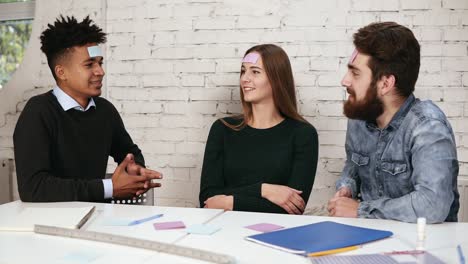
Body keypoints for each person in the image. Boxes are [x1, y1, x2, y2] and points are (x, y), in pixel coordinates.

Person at [13, 15, 162, 202]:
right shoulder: (38, 112)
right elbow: (33, 188)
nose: (100, 71)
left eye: (100, 62)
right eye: (89, 64)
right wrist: (109, 188)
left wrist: (134, 169)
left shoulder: (105, 111)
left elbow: (129, 152)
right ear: (62, 72)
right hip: (49, 223)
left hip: (97, 218)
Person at [327, 22, 459, 223]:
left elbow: (433, 204)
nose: (345, 81)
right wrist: (346, 187)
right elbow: (353, 166)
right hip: (369, 236)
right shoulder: (359, 118)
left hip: (425, 245)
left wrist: (361, 209)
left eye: (355, 73)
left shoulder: (427, 127)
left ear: (385, 83)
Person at [199, 44, 318, 214]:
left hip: (275, 234)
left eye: (255, 72)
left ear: (277, 78)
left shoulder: (303, 134)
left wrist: (228, 201)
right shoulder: (222, 129)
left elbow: (293, 208)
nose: (244, 79)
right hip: (222, 230)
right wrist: (264, 190)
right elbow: (208, 199)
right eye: (243, 71)